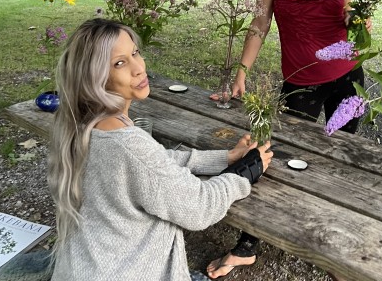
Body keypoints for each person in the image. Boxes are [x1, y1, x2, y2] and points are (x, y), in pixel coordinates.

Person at [207, 0, 366, 280]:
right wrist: (242, 70)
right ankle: (248, 245)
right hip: (301, 84)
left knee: (341, 158)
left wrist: (359, 20)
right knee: (271, 159)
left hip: (350, 81)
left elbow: (359, 31)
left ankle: (331, 238)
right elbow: (259, 26)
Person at [47, 18, 273, 281]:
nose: (138, 68)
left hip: (83, 268)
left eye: (135, 53)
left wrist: (225, 158)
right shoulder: (127, 144)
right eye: (119, 63)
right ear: (94, 78)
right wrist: (246, 171)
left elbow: (154, 162)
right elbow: (199, 207)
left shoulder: (78, 123)